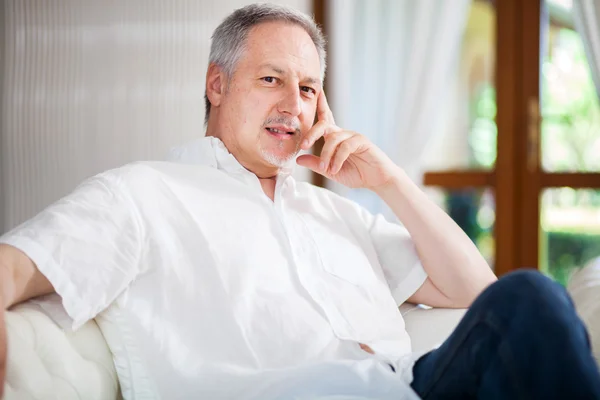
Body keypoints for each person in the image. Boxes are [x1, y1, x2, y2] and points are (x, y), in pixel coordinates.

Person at [0, 3, 598, 399]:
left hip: (414, 387)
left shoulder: (334, 213)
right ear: (217, 83)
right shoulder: (142, 195)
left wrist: (388, 181)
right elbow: (16, 266)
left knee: (530, 299)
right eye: (271, 79)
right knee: (534, 299)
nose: (294, 104)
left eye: (308, 87)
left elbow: (477, 294)